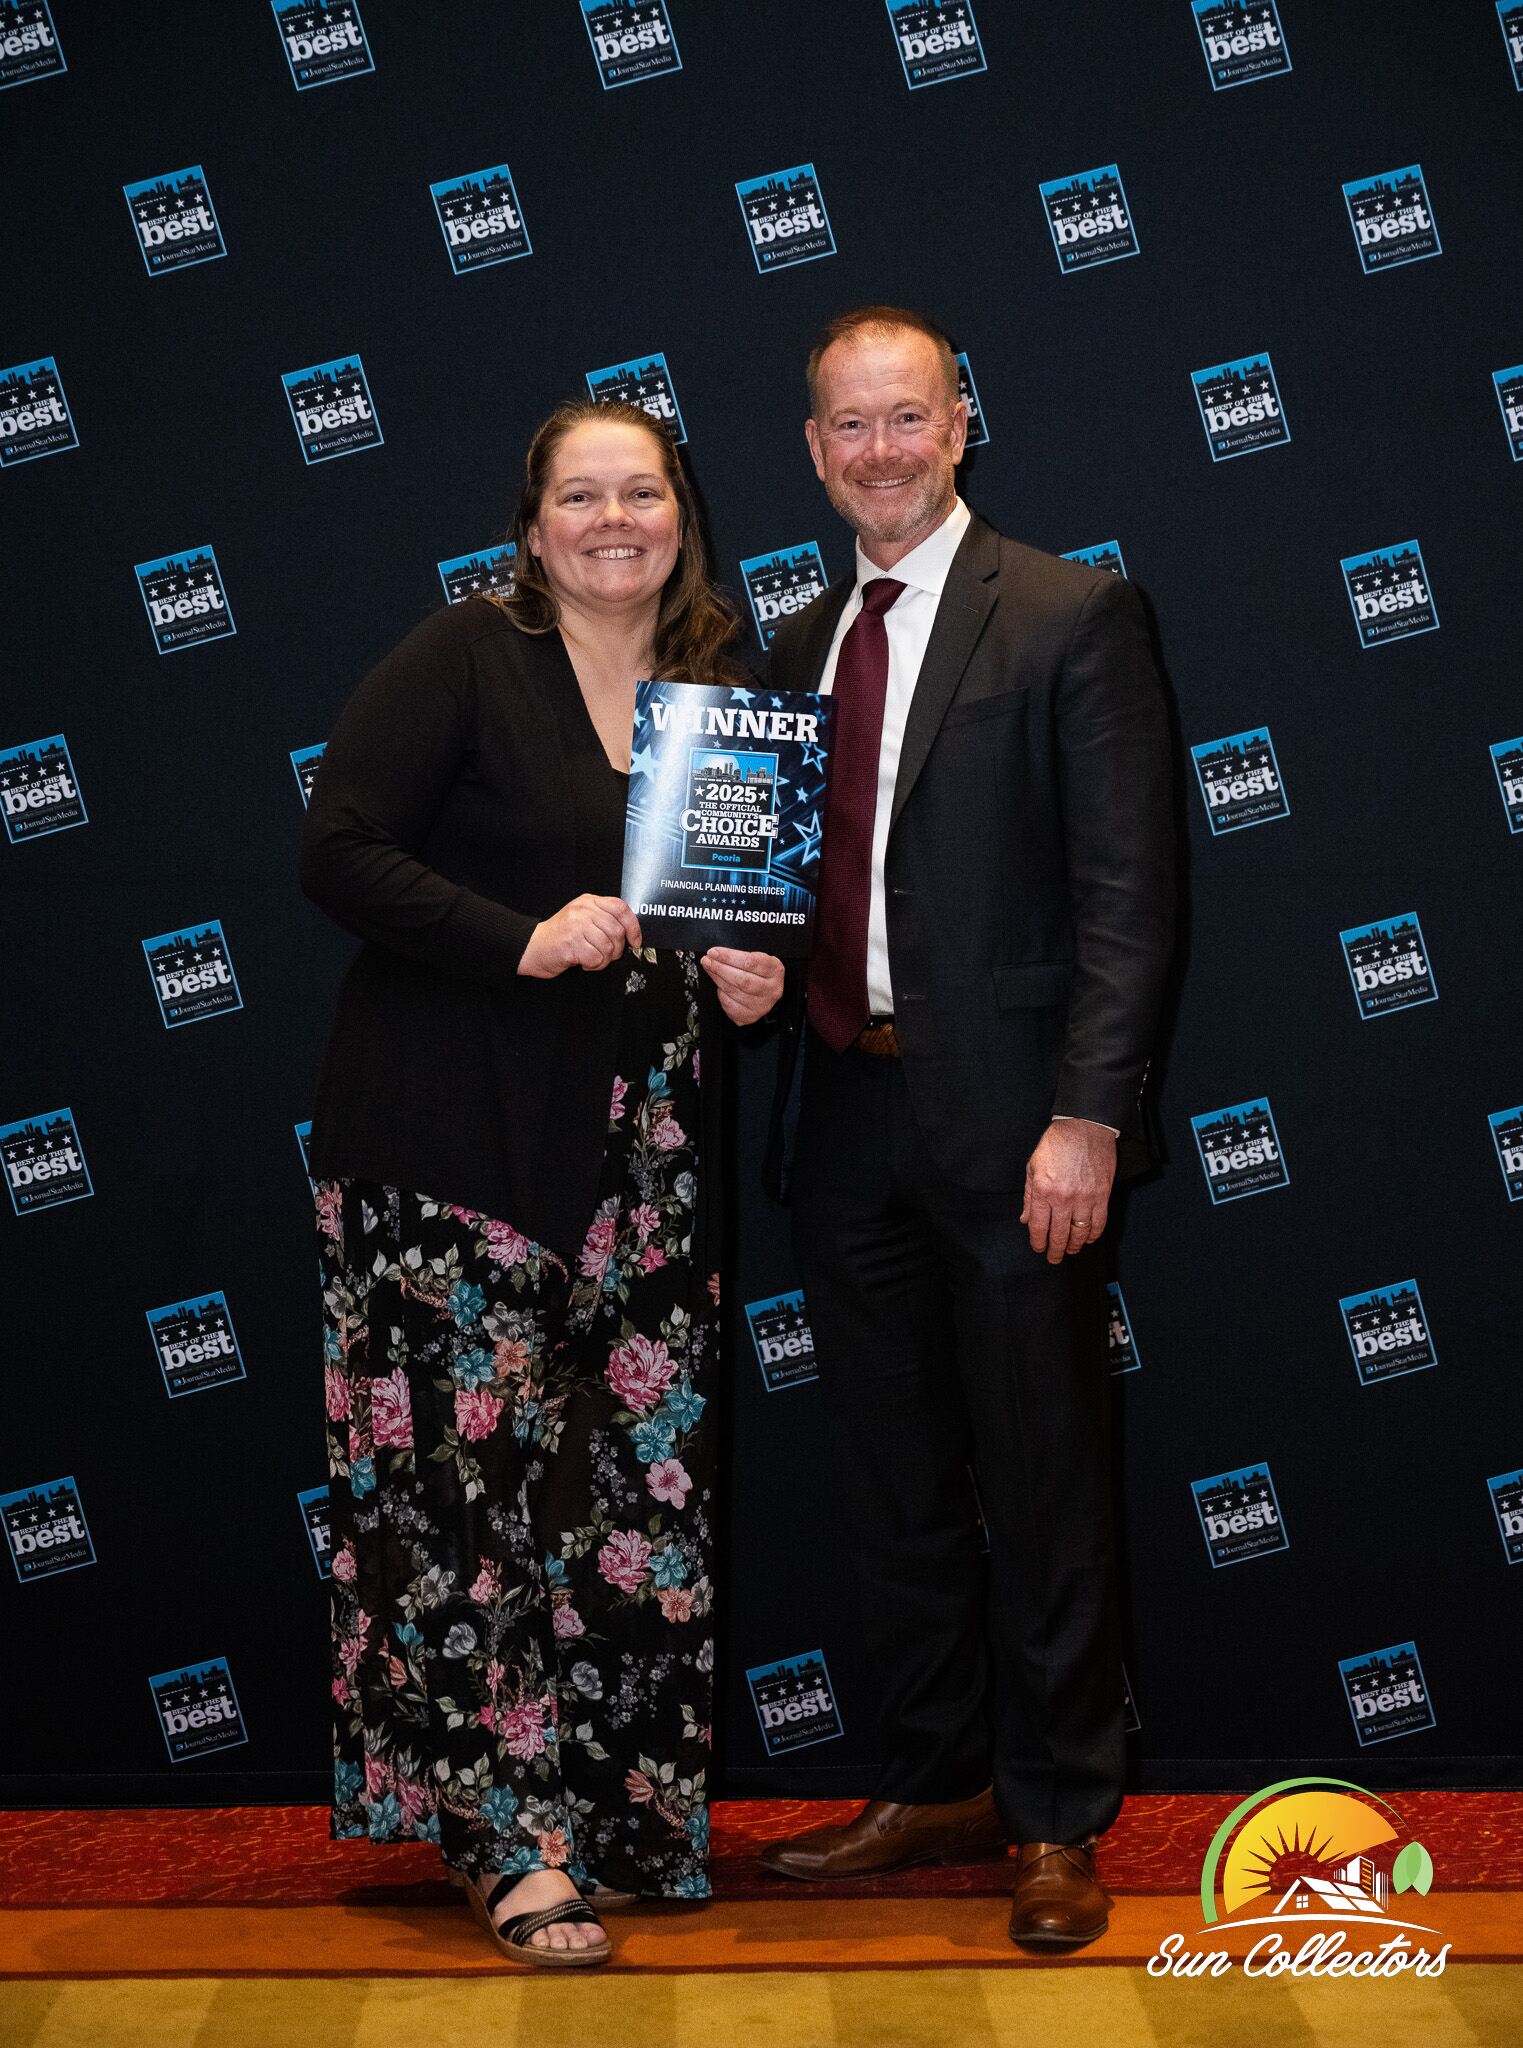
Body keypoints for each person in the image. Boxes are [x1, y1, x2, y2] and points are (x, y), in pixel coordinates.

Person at [299, 399, 783, 1967]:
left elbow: (737, 916)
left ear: (681, 513)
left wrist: (755, 975)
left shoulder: (723, 691)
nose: (613, 520)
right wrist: (516, 937)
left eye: (641, 492)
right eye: (581, 496)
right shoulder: (465, 656)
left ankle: (627, 1821)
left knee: (636, 1495)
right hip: (451, 1151)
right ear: (530, 528)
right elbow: (338, 847)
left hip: (648, 1155)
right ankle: (510, 1848)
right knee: (464, 1503)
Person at [758, 309, 1175, 1950]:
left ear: (959, 425)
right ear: (814, 451)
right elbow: (786, 883)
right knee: (893, 1480)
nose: (881, 449)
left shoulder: (1071, 611)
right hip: (842, 1114)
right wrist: (743, 965)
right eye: (849, 425)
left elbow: (1130, 896)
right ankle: (935, 1780)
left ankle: (1057, 1814)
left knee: (1043, 1471)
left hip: (1018, 1133)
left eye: (906, 416)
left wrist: (1088, 1117)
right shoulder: (797, 643)